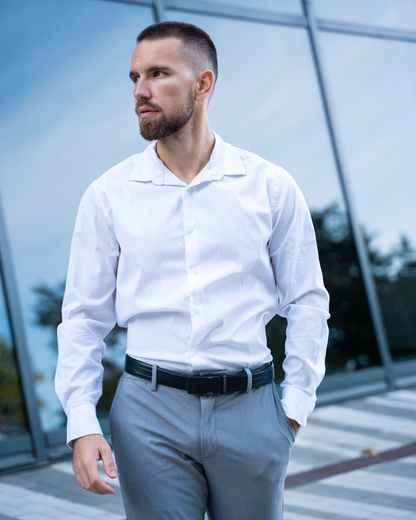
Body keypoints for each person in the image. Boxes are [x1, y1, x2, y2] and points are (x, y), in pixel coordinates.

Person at [56, 21, 329, 520]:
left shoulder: (269, 186)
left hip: (252, 410)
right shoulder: (107, 194)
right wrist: (82, 421)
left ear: (203, 85)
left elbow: (308, 301)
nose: (140, 91)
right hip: (147, 414)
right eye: (135, 77)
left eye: (158, 74)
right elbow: (83, 317)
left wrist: (291, 411)